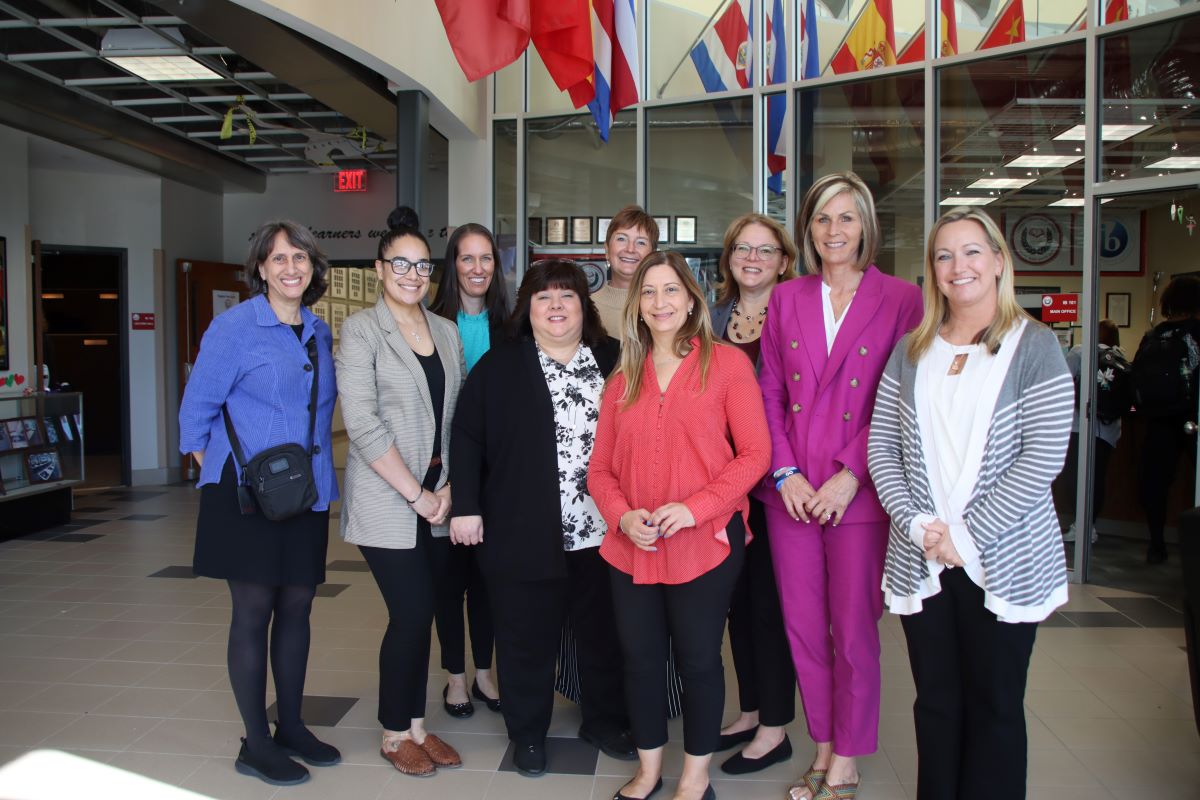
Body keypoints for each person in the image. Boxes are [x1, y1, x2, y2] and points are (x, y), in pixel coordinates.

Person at [868, 207, 1073, 800]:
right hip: (923, 557)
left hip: (1001, 560)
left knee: (996, 704)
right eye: (944, 255)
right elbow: (882, 446)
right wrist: (918, 525)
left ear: (999, 262)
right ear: (932, 271)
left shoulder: (1034, 347)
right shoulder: (912, 350)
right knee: (935, 702)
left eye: (972, 251)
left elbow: (1043, 458)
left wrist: (967, 535)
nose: (959, 266)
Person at [759, 172, 922, 800]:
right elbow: (770, 391)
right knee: (804, 626)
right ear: (808, 227)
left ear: (867, 227)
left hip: (860, 489)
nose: (834, 230)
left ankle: (850, 755)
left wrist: (854, 474)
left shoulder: (902, 299)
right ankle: (823, 748)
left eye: (847, 218)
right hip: (793, 493)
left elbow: (901, 396)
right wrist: (786, 471)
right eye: (823, 218)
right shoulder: (787, 296)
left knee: (853, 629)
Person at [589, 251, 771, 800]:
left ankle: (694, 776)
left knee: (697, 660)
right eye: (648, 292)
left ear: (692, 299)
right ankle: (648, 771)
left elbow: (755, 454)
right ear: (637, 305)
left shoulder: (727, 365)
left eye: (671, 290)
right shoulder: (623, 375)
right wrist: (621, 515)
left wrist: (696, 507)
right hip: (633, 543)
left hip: (705, 541)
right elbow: (599, 468)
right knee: (640, 660)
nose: (660, 302)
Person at [449, 259, 633, 776]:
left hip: (605, 531)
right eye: (543, 297)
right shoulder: (501, 365)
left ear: (584, 307)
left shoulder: (614, 358)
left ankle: (603, 720)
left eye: (567, 296)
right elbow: (466, 436)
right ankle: (528, 733)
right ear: (527, 309)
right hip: (522, 532)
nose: (556, 306)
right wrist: (466, 506)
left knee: (602, 634)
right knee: (525, 638)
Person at [178, 220, 341, 786]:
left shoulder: (318, 331)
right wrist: (231, 480)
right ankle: (255, 741)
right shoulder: (234, 329)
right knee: (252, 613)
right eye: (279, 259)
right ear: (261, 269)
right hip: (245, 498)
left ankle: (291, 725)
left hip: (307, 492)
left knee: (297, 608)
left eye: (300, 257)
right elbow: (193, 415)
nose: (291, 267)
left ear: (315, 268)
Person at [335, 207, 465, 777]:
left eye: (422, 265)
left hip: (441, 493)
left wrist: (451, 487)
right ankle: (394, 734)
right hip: (390, 495)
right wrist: (418, 495)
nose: (413, 274)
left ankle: (417, 726)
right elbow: (361, 422)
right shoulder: (363, 329)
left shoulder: (446, 330)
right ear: (380, 267)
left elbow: (460, 418)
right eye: (401, 264)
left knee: (429, 611)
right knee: (410, 613)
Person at [707, 214, 799, 775]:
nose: (753, 258)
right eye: (742, 247)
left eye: (766, 250)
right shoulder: (713, 317)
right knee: (736, 605)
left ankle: (775, 728)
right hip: (721, 486)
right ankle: (749, 710)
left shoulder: (795, 317)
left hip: (774, 486)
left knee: (769, 607)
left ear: (784, 261)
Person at [427, 223, 509, 716]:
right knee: (448, 580)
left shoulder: (512, 324)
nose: (477, 269)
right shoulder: (431, 321)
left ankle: (484, 672)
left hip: (496, 473)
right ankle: (455, 677)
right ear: (451, 264)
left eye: (486, 259)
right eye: (466, 258)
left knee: (487, 582)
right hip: (441, 471)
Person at [1133, 275, 1200, 564]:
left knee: (1155, 484)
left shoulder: (1154, 335)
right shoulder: (1196, 333)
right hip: (1191, 416)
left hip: (1158, 419)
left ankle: (1157, 544)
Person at [1061, 319, 1128, 546]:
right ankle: (1089, 527)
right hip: (1108, 430)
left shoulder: (1080, 352)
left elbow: (1061, 382)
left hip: (1080, 425)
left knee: (1075, 478)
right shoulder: (1121, 356)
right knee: (1097, 479)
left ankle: (1079, 526)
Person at [590, 205, 658, 335]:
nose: (630, 249)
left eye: (641, 242)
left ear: (652, 254)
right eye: (621, 239)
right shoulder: (586, 307)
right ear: (607, 249)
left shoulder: (662, 308)